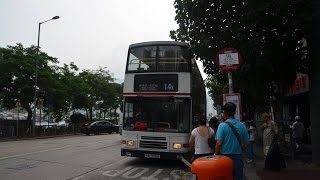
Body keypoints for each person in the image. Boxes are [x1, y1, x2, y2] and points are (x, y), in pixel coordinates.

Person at [215, 102, 249, 180]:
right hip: (238, 158)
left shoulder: (222, 126)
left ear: (224, 113)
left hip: (225, 159)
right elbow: (247, 143)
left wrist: (215, 154)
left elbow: (219, 144)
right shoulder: (242, 125)